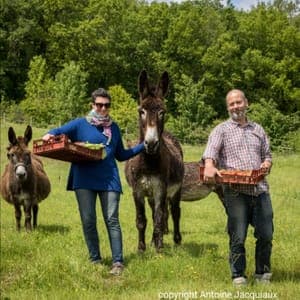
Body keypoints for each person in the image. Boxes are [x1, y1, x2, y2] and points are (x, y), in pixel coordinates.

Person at [43, 88, 144, 275]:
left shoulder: (114, 128)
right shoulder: (80, 124)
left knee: (112, 219)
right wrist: (49, 134)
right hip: (84, 178)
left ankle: (118, 263)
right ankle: (95, 259)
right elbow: (58, 131)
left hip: (109, 179)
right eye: (99, 105)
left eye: (106, 105)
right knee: (88, 220)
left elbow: (121, 155)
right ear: (93, 105)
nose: (103, 109)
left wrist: (142, 147)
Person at [202, 89, 273, 286]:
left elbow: (267, 154)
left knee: (266, 233)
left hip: (260, 190)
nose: (236, 107)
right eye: (232, 104)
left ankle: (263, 273)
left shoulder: (258, 129)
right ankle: (238, 276)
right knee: (237, 235)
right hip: (235, 192)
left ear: (246, 103)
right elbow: (210, 152)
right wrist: (209, 165)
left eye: (239, 102)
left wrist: (266, 164)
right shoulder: (221, 130)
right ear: (227, 107)